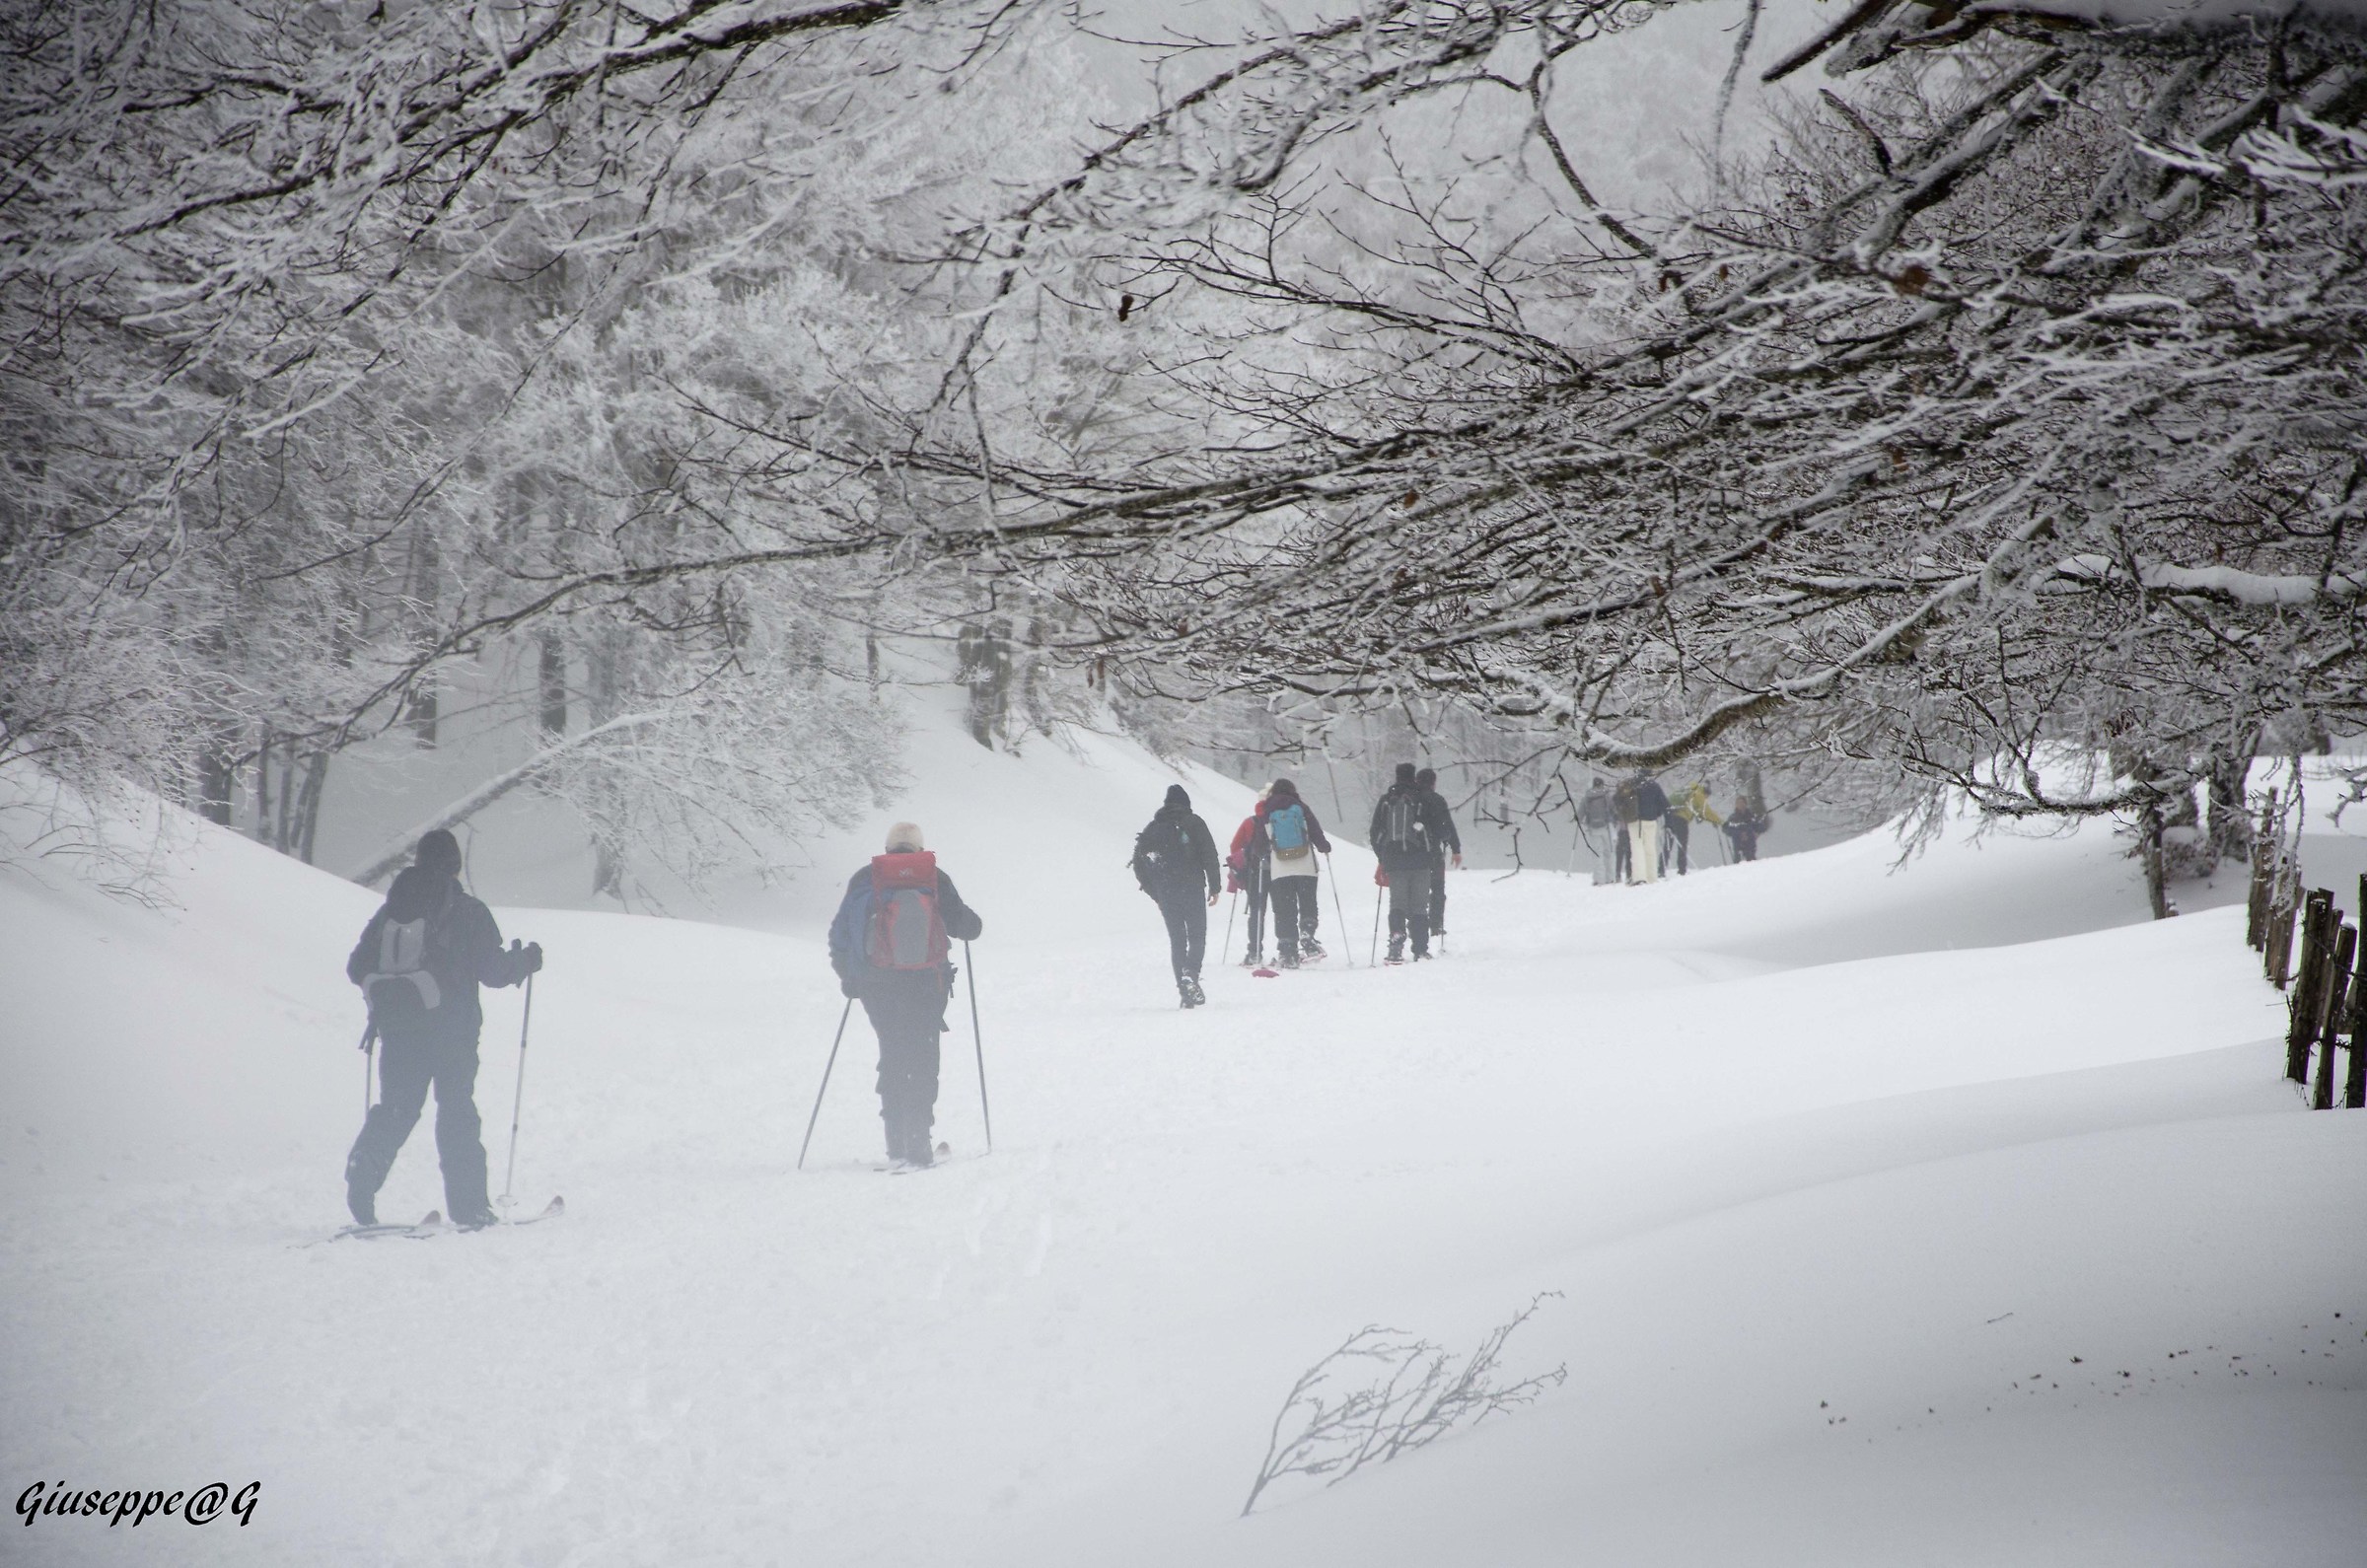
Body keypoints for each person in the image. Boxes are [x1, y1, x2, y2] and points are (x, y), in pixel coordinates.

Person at [344, 829, 542, 1230]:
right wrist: (525, 962)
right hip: (452, 1031)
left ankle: (361, 1178)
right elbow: (492, 971)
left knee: (398, 1108)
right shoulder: (468, 911)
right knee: (456, 1112)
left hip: (399, 1030)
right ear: (455, 865)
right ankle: (470, 1209)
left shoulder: (391, 911)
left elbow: (357, 966)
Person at [827, 822, 984, 1169]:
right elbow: (964, 925)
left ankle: (895, 1142)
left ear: (887, 848)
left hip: (877, 984)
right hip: (926, 983)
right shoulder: (932, 877)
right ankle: (919, 1142)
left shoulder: (865, 879)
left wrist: (849, 977)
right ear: (918, 847)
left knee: (893, 1052)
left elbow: (840, 934)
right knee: (923, 1057)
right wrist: (972, 924)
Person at [1133, 785, 1222, 1007]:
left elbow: (1139, 865)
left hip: (1166, 892)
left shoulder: (1153, 827)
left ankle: (1185, 994)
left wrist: (1156, 894)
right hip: (1192, 887)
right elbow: (1209, 854)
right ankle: (1190, 974)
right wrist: (1215, 886)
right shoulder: (1194, 822)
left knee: (1178, 941)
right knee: (1197, 936)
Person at [1371, 762, 1452, 962]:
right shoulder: (1423, 799)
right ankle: (1420, 948)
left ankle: (1396, 939)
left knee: (1397, 903)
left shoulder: (1387, 800)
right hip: (1421, 860)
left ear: (1397, 776)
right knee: (1419, 905)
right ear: (1413, 776)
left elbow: (1375, 832)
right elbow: (1442, 830)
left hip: (1395, 861)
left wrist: (1383, 857)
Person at [1256, 777, 1332, 966]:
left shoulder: (1267, 810)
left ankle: (1287, 951)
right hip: (1305, 864)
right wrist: (1324, 847)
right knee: (1308, 903)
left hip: (1280, 868)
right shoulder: (1300, 807)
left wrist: (1259, 854)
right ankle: (1307, 933)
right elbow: (1315, 831)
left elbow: (1260, 841)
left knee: (1284, 909)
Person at [1407, 766, 1464, 942]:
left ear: (1417, 780)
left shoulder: (1409, 799)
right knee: (1437, 888)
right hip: (1432, 851)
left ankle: (1415, 924)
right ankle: (1436, 925)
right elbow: (1447, 824)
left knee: (1415, 889)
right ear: (1433, 783)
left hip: (1411, 852)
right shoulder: (1437, 800)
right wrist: (1455, 848)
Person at [1228, 787, 1273, 966]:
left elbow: (1235, 847)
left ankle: (1254, 952)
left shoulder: (1250, 822)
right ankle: (1286, 949)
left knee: (1257, 912)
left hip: (1256, 871)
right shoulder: (1279, 819)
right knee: (1282, 911)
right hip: (1279, 870)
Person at [1667, 782, 1723, 875]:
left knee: (1668, 844)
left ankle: (1661, 868)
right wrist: (1721, 822)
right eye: (1707, 797)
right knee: (1682, 844)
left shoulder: (1690, 790)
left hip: (1671, 816)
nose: (1706, 799)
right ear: (1706, 793)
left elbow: (1697, 811)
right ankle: (1682, 870)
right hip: (1681, 820)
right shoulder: (1699, 795)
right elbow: (1707, 812)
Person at [1626, 770, 1669, 885]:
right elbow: (1664, 803)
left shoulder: (1632, 786)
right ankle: (1652, 877)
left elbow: (1620, 801)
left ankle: (1639, 877)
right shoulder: (1654, 786)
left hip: (1635, 821)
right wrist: (1657, 813)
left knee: (1637, 848)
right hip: (1651, 820)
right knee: (1650, 849)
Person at [1578, 776, 1615, 885]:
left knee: (1597, 853)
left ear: (1593, 785)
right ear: (1602, 785)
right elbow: (1613, 809)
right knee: (1608, 853)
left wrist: (1578, 820)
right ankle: (1610, 877)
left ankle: (1598, 879)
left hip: (1593, 828)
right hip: (1606, 827)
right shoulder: (1606, 796)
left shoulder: (1587, 797)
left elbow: (1581, 813)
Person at [1610, 774, 1639, 883]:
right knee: (1629, 853)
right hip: (1630, 827)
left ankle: (1618, 874)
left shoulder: (1617, 798)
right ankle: (1629, 874)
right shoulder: (1632, 796)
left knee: (1620, 852)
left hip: (1621, 828)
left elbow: (1613, 812)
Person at [1725, 793, 1770, 862]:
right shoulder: (1732, 818)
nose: (1741, 804)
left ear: (1745, 804)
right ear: (1736, 805)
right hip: (1738, 847)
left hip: (1750, 846)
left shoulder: (1751, 816)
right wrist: (1739, 834)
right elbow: (1728, 830)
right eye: (1738, 803)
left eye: (1742, 802)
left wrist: (1757, 832)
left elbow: (1760, 826)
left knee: (1752, 864)